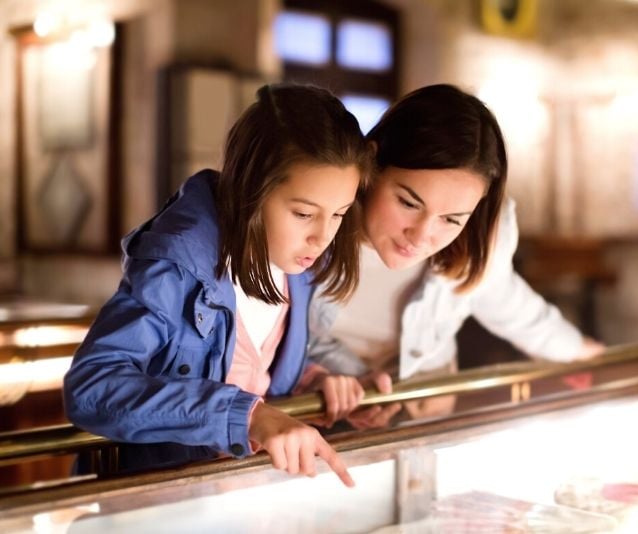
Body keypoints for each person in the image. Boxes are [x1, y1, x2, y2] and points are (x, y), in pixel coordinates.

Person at [63, 83, 379, 486]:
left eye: (338, 214)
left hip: (237, 497)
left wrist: (316, 381)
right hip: (154, 504)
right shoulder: (176, 269)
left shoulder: (298, 269)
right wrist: (246, 416)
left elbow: (253, 371)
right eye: (303, 213)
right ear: (250, 190)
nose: (322, 237)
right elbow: (93, 387)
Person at [308, 84, 603, 424]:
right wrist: (331, 378)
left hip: (424, 411)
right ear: (372, 163)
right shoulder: (316, 219)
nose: (421, 235)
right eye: (408, 202)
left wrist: (579, 351)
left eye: (451, 219)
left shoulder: (480, 237)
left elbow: (507, 303)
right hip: (318, 408)